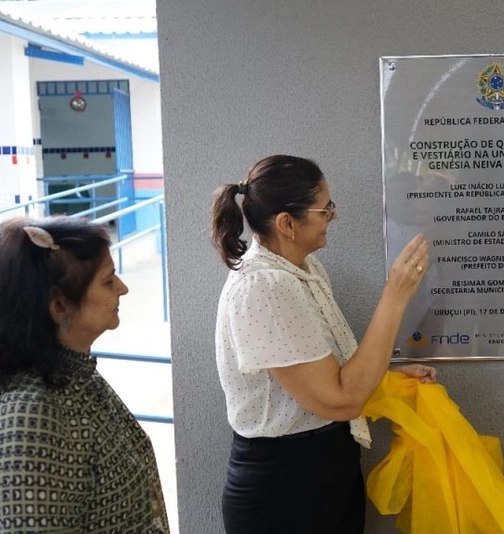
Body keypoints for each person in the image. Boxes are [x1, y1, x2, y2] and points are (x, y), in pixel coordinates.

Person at [211, 154, 437, 533]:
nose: (333, 216)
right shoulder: (264, 286)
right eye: (325, 209)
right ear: (287, 224)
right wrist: (395, 297)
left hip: (325, 468)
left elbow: (328, 374)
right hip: (286, 489)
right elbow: (341, 399)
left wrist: (384, 377)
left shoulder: (305, 269)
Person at [0, 216, 169, 532]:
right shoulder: (32, 414)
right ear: (60, 306)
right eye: (108, 281)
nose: (124, 288)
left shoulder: (77, 375)